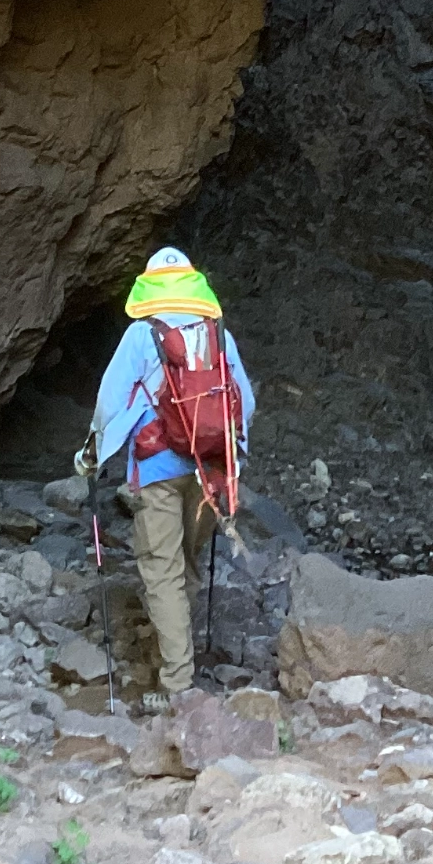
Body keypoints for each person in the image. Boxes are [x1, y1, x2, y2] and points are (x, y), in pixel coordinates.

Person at [79, 246, 254, 710]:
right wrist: (231, 457)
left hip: (155, 470)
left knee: (162, 572)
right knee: (187, 565)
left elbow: (110, 401)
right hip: (208, 472)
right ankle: (180, 655)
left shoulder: (142, 335)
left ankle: (178, 686)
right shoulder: (218, 336)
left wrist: (92, 453)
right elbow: (245, 403)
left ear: (150, 287)